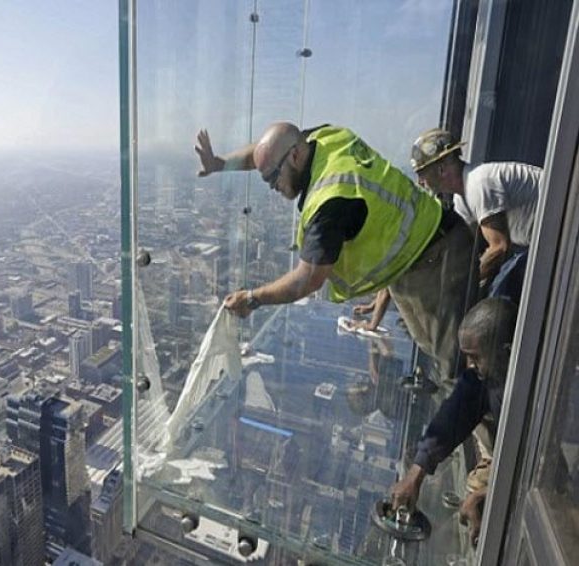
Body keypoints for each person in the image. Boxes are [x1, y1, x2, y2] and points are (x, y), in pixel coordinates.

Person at [196, 122, 477, 382]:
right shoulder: (325, 138)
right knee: (448, 358)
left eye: (272, 178)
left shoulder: (329, 201)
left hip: (435, 261)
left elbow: (307, 279)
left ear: (294, 157)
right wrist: (220, 164)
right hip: (422, 252)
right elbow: (265, 151)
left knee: (459, 368)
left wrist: (252, 299)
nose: (271, 187)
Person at [349, 128, 540, 331]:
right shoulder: (462, 198)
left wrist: (456, 292)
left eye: (422, 173)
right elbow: (462, 255)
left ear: (441, 170)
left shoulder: (479, 183)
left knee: (498, 304)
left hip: (563, 238)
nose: (420, 182)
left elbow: (499, 248)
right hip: (541, 243)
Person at [390, 297, 518, 546]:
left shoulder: (553, 393)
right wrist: (416, 472)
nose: (470, 366)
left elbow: (547, 476)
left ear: (507, 351)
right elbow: (459, 407)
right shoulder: (492, 377)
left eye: (476, 357)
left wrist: (489, 493)